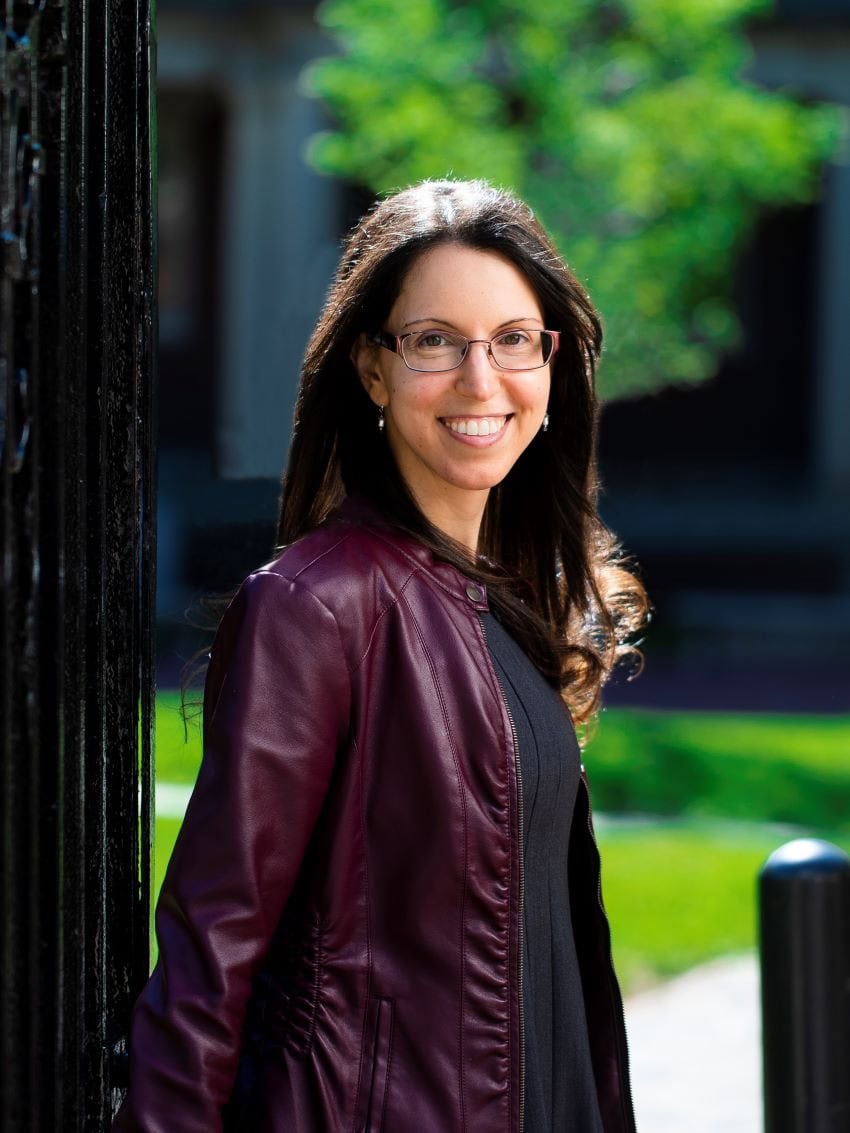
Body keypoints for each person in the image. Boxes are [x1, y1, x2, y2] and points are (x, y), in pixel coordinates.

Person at [114, 178, 648, 1132]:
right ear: (372, 368)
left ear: (553, 361)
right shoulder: (319, 604)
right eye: (434, 340)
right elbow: (212, 946)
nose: (481, 380)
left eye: (514, 339)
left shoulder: (506, 600)